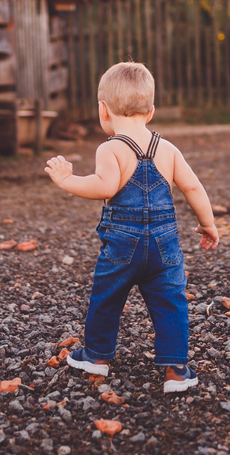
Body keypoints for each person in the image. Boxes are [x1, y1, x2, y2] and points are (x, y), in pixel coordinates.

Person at [45, 61, 220, 393]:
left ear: (103, 110)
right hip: (164, 245)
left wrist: (67, 180)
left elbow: (104, 186)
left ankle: (96, 356)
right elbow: (193, 188)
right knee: (171, 302)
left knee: (106, 297)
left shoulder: (110, 148)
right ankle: (176, 371)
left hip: (122, 245)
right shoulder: (167, 149)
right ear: (151, 112)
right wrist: (207, 223)